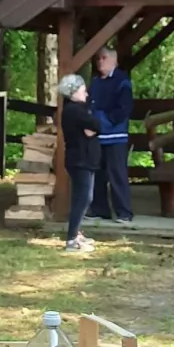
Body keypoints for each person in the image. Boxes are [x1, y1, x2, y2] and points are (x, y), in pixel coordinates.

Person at [86, 47, 134, 223]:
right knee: (98, 173)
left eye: (104, 58)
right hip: (97, 136)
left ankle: (124, 212)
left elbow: (124, 109)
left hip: (115, 136)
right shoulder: (96, 82)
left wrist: (102, 122)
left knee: (117, 174)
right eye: (98, 58)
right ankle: (100, 209)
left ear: (113, 60)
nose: (100, 61)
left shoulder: (122, 81)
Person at [57, 73, 101, 252]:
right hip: (79, 159)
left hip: (84, 158)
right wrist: (92, 128)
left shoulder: (77, 109)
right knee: (84, 198)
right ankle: (71, 239)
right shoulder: (74, 110)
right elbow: (96, 125)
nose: (87, 94)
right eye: (83, 91)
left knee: (81, 198)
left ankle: (75, 233)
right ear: (73, 92)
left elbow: (93, 128)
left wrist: (91, 129)